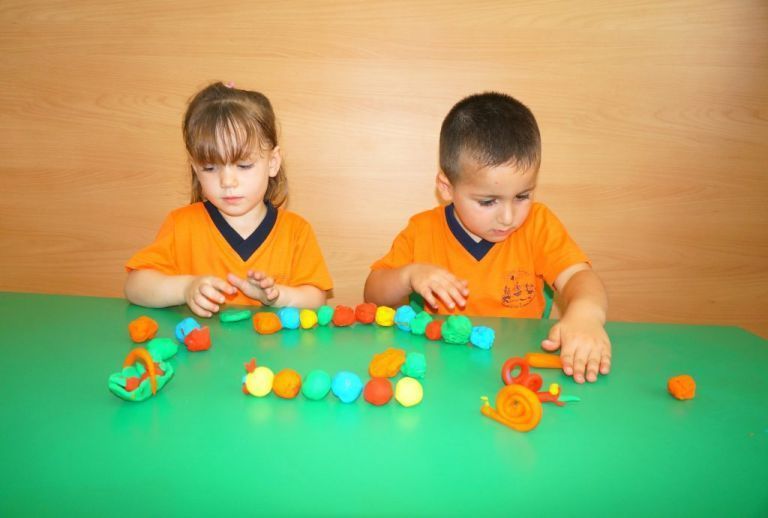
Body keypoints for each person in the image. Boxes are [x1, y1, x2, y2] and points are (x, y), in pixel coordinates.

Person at [364, 92, 610, 383]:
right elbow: (373, 294)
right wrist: (408, 276)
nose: (508, 217)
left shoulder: (538, 224)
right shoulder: (422, 231)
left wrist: (586, 314)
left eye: (522, 196)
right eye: (487, 201)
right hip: (442, 369)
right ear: (446, 187)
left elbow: (578, 277)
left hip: (518, 367)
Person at [125, 82, 332, 317]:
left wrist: (276, 296)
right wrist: (185, 288)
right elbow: (135, 287)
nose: (227, 181)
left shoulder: (296, 231)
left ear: (272, 163)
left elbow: (316, 298)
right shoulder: (180, 224)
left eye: (243, 165)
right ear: (195, 168)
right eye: (210, 168)